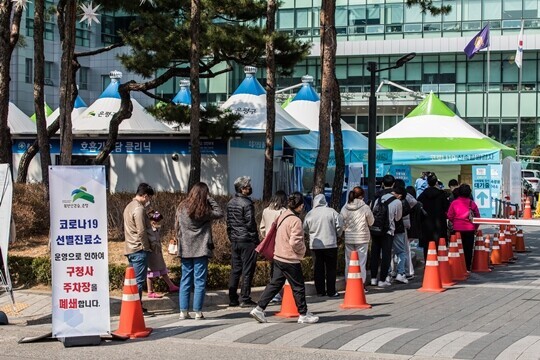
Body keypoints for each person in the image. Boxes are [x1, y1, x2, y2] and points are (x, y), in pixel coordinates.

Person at [250, 192, 319, 324]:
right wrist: (303, 251)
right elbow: (295, 242)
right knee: (298, 287)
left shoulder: (282, 216)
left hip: (278, 256)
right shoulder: (296, 220)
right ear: (300, 206)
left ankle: (259, 308)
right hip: (290, 258)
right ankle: (303, 314)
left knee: (275, 284)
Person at [176, 182, 223, 320]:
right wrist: (209, 198)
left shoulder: (181, 208)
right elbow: (220, 212)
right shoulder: (203, 211)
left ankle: (183, 311)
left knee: (185, 279)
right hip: (201, 249)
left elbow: (177, 226)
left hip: (185, 248)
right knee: (199, 281)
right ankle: (198, 312)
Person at [227, 176, 259, 307]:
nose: (250, 188)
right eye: (247, 186)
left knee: (235, 269)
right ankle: (245, 298)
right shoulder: (247, 204)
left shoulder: (230, 202)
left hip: (235, 239)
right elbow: (250, 223)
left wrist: (231, 236)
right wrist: (256, 240)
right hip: (246, 240)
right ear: (242, 189)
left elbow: (228, 223)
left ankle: (232, 298)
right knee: (247, 269)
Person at [303, 194, 343, 297]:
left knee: (318, 269)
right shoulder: (332, 212)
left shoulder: (310, 214)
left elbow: (305, 228)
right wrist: (337, 234)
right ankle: (331, 291)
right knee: (331, 269)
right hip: (330, 244)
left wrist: (311, 234)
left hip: (315, 245)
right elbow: (339, 226)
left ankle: (320, 291)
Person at [123, 183, 154, 311]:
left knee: (132, 280)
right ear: (145, 196)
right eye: (149, 198)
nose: (149, 201)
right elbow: (141, 231)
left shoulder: (128, 206)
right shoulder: (139, 209)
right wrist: (147, 247)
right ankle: (136, 307)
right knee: (139, 281)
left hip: (130, 247)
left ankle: (133, 306)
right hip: (139, 248)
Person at [370, 174, 402, 288]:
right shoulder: (397, 201)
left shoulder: (376, 197)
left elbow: (371, 212)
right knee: (386, 255)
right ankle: (382, 279)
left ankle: (373, 278)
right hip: (388, 231)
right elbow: (398, 218)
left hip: (375, 229)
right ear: (393, 184)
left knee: (374, 253)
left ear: (382, 184)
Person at [340, 186, 374, 285]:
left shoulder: (345, 207)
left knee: (349, 262)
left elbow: (341, 222)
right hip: (362, 238)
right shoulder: (365, 207)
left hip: (349, 238)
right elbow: (371, 222)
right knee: (361, 262)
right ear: (362, 196)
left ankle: (349, 282)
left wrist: (345, 229)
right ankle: (361, 284)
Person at [259, 190, 288, 303]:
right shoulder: (284, 212)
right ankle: (277, 293)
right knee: (282, 269)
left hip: (269, 244)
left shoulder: (266, 211)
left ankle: (274, 293)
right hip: (281, 244)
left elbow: (262, 227)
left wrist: (266, 237)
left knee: (273, 268)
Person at [145, 209, 179, 299]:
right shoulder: (147, 229)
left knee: (163, 270)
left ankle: (171, 286)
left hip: (157, 253)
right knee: (151, 273)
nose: (157, 222)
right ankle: (150, 291)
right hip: (152, 253)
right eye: (155, 220)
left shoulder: (155, 229)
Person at [447, 184, 480, 271]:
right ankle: (467, 267)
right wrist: (475, 227)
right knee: (468, 249)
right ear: (469, 193)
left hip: (457, 229)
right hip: (470, 229)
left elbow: (449, 216)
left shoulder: (454, 203)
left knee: (457, 249)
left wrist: (454, 221)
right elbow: (477, 217)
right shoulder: (472, 203)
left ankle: (457, 267)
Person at [417, 174, 449, 261]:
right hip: (439, 223)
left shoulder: (422, 195)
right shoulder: (442, 194)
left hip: (426, 223)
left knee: (427, 245)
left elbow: (418, 207)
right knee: (440, 244)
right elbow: (447, 207)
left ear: (427, 182)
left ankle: (428, 263)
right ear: (436, 182)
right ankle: (440, 262)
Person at [390, 186, 410, 284]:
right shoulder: (404, 203)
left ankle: (392, 273)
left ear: (399, 195)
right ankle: (400, 273)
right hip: (398, 229)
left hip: (391, 229)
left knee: (392, 252)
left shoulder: (396, 202)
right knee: (400, 251)